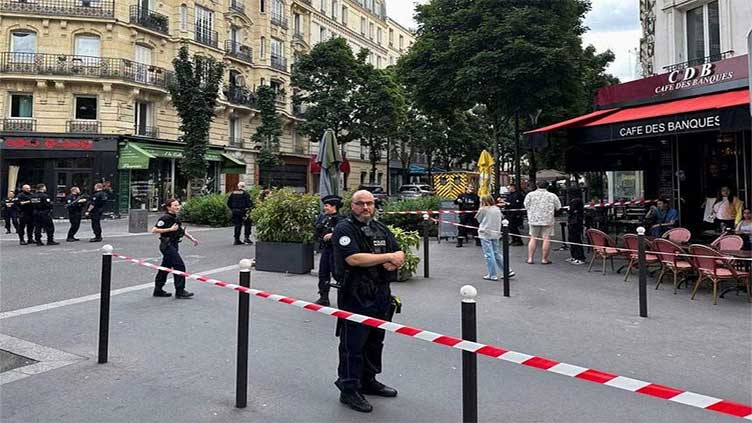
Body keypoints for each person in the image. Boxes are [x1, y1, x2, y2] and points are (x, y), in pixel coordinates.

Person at [332, 190, 405, 413]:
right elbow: (353, 258)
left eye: (370, 203)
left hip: (380, 293)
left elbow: (398, 251)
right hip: (355, 294)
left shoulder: (379, 227)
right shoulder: (345, 229)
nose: (366, 208)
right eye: (361, 204)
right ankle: (349, 388)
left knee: (375, 340)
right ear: (352, 205)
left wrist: (397, 260)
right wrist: (387, 258)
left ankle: (368, 380)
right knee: (353, 344)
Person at [151, 198, 199, 298]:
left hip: (174, 244)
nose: (178, 207)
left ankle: (158, 289)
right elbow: (154, 230)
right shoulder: (165, 218)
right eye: (175, 205)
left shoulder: (175, 217)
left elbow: (180, 230)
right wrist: (170, 229)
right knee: (179, 266)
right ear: (169, 207)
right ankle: (180, 291)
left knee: (165, 267)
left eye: (178, 205)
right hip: (167, 245)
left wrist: (192, 238)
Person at [314, 194, 344, 306]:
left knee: (338, 274)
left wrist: (334, 234)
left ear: (334, 206)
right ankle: (323, 296)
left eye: (327, 206)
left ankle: (344, 297)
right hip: (326, 249)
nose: (325, 208)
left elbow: (346, 233)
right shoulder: (323, 218)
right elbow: (317, 230)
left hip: (336, 251)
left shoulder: (342, 220)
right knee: (323, 273)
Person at [476, 195, 515, 280]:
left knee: (489, 254)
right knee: (496, 253)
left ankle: (492, 274)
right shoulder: (497, 209)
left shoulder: (483, 209)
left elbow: (478, 219)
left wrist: (480, 207)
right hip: (496, 233)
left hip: (485, 233)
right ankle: (507, 270)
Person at [523, 180, 561, 264]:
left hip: (534, 219)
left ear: (537, 185)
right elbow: (558, 207)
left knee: (533, 238)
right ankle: (544, 259)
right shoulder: (552, 195)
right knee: (546, 238)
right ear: (547, 186)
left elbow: (526, 205)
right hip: (547, 219)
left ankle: (530, 258)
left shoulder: (530, 195)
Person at [566, 187, 586, 265]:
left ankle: (579, 257)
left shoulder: (576, 200)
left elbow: (571, 210)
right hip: (573, 221)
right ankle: (574, 256)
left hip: (576, 222)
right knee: (572, 239)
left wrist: (569, 210)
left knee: (576, 239)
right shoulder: (575, 200)